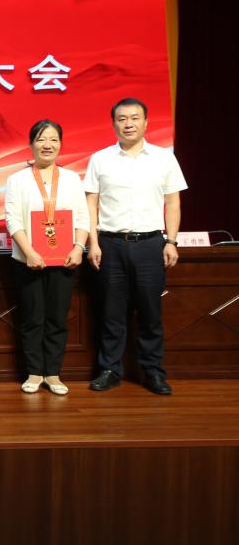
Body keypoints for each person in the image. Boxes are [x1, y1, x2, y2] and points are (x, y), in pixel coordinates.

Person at [84, 98, 187, 395]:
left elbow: (172, 202)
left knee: (150, 313)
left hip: (151, 244)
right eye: (122, 119)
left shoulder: (164, 158)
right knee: (111, 311)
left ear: (145, 122)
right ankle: (109, 370)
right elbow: (91, 203)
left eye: (134, 118)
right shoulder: (100, 159)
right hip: (110, 244)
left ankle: (153, 371)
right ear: (114, 123)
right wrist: (93, 242)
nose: (128, 124)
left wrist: (171, 241)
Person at [4, 120, 89, 396]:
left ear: (60, 144)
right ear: (31, 144)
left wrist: (78, 247)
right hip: (28, 261)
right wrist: (29, 252)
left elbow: (82, 216)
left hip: (65, 260)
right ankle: (34, 372)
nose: (47, 145)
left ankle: (53, 373)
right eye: (41, 139)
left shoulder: (72, 178)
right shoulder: (17, 179)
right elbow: (12, 220)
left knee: (57, 319)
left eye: (53, 139)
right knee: (32, 318)